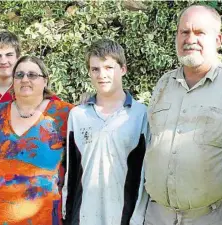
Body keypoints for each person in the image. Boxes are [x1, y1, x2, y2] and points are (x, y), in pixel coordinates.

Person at [144, 5, 222, 225]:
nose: (190, 39)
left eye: (199, 32)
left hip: (214, 217)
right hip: (157, 216)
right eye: (184, 32)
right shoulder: (164, 84)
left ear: (218, 40)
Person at [0, 55, 73, 224]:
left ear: (45, 80)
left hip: (43, 218)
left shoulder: (64, 115)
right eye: (19, 75)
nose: (25, 79)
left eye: (32, 75)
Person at [62, 39, 148, 225]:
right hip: (83, 216)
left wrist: (139, 218)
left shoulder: (141, 114)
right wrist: (68, 216)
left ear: (123, 69)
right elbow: (71, 172)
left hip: (125, 217)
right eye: (95, 69)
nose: (102, 75)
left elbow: (144, 173)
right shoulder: (77, 115)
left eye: (109, 67)